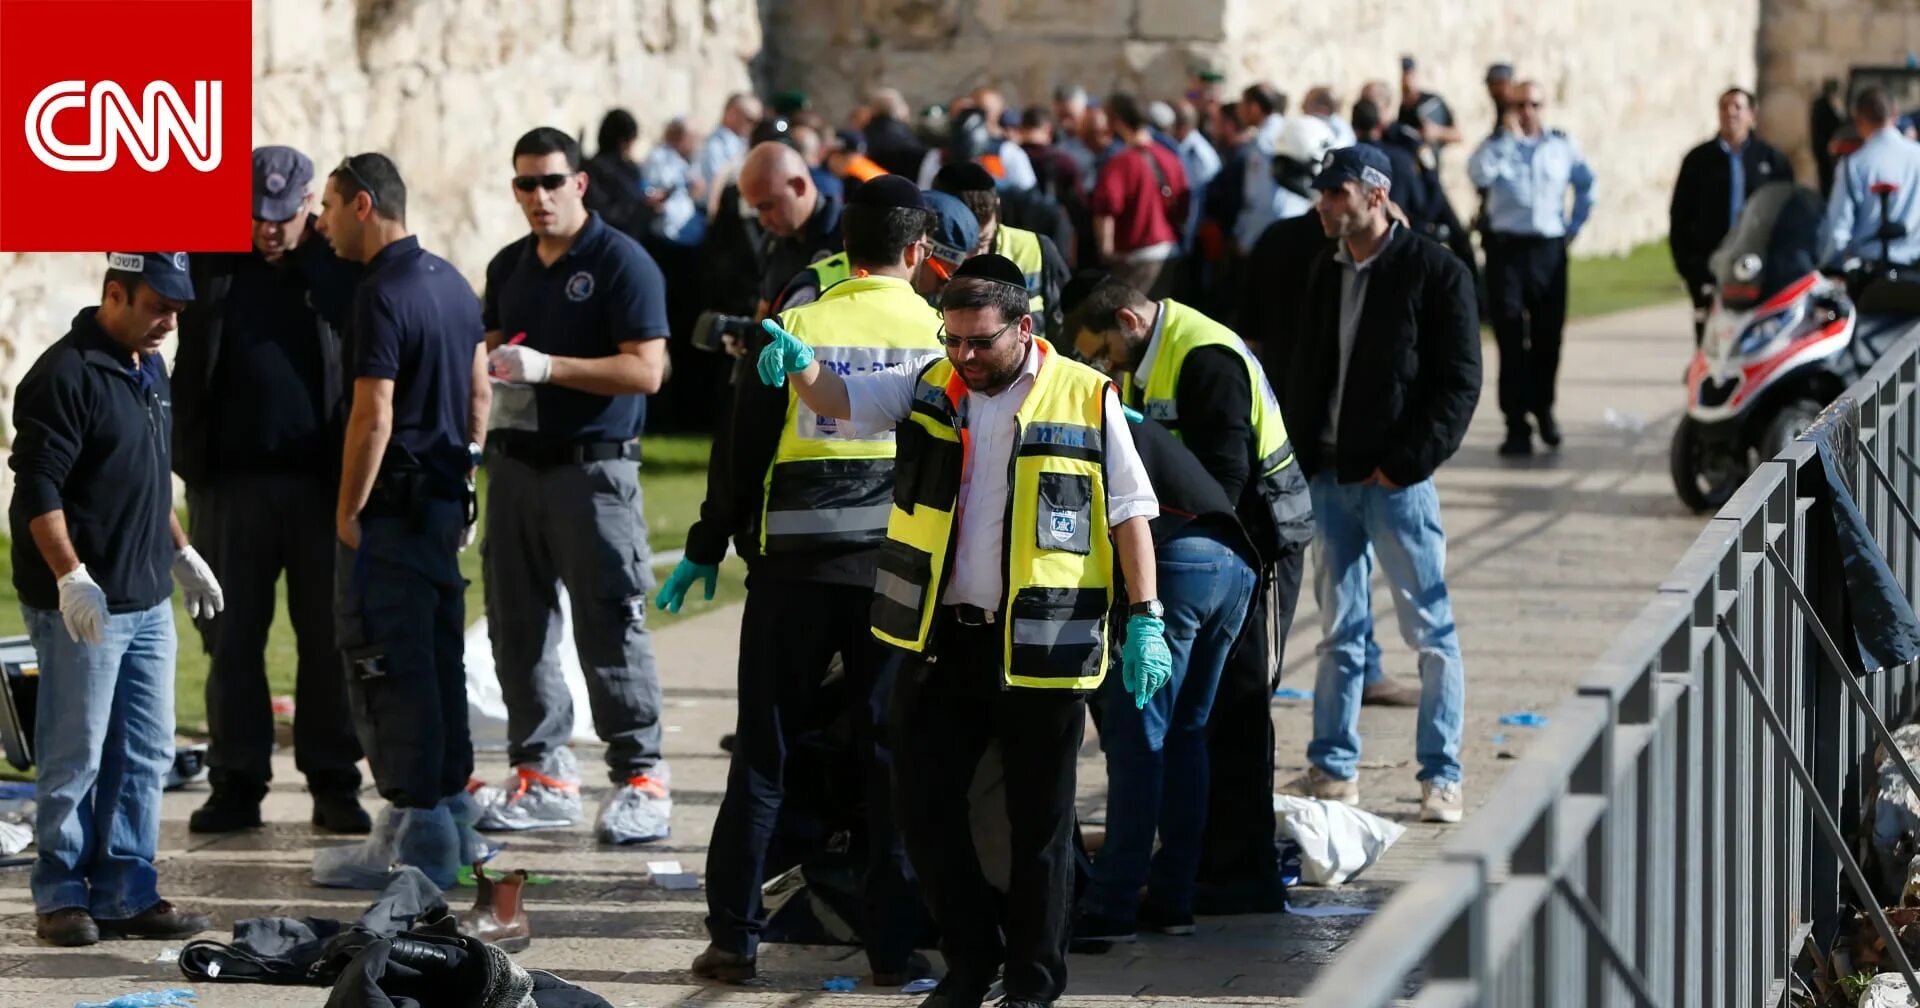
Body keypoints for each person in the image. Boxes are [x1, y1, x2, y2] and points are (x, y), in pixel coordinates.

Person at [757, 254, 1166, 1008]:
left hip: (1044, 648)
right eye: (952, 339)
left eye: (980, 342)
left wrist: (1146, 619)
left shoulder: (1085, 395)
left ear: (1024, 327)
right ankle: (971, 964)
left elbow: (1129, 511)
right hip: (948, 641)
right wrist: (801, 364)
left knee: (1038, 829)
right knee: (923, 806)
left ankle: (1034, 983)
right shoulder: (931, 385)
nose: (964, 357)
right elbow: (840, 398)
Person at [664, 175, 945, 986]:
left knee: (765, 751)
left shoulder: (789, 326)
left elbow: (740, 450)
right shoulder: (940, 333)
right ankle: (895, 947)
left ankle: (733, 939)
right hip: (895, 574)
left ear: (840, 251)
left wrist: (706, 544)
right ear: (920, 253)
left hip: (791, 571)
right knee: (889, 756)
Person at [1063, 271, 1313, 915]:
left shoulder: (1204, 356)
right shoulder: (1151, 356)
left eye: (1102, 351)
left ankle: (1225, 875)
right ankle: (1196, 879)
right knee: (1195, 728)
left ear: (1128, 322)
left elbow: (1226, 479)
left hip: (1250, 543)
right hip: (1215, 557)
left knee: (1215, 717)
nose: (1100, 366)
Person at [467, 128, 673, 844]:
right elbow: (489, 368)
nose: (539, 197)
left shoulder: (622, 263)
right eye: (525, 184)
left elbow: (648, 370)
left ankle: (642, 777)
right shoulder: (508, 267)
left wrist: (551, 368)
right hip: (518, 466)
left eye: (552, 182)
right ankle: (543, 772)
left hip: (595, 470)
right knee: (516, 628)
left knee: (609, 624)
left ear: (579, 183)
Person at [10, 251, 221, 947]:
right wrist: (70, 575)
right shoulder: (63, 374)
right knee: (76, 753)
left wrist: (182, 550)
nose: (168, 321)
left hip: (148, 598)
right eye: (157, 305)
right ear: (114, 293)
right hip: (87, 606)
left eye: (177, 310)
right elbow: (38, 488)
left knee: (146, 750)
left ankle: (127, 889)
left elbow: (147, 474)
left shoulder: (147, 366)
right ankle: (62, 895)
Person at [1277, 145, 1478, 824]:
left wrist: (1407, 461)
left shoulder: (1434, 271)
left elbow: (1459, 382)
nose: (1326, 205)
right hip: (1329, 478)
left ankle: (1441, 775)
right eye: (1323, 193)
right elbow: (1306, 366)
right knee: (1339, 631)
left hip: (1395, 484)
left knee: (1429, 628)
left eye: (1337, 193)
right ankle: (1333, 768)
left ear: (1375, 193)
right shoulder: (1322, 270)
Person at [172, 145, 368, 836]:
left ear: (310, 203)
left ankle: (335, 782)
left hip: (322, 487)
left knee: (327, 640)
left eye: (283, 216)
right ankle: (236, 783)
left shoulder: (337, 262)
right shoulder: (208, 259)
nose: (270, 229)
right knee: (230, 641)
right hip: (229, 485)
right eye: (257, 216)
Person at [313, 152, 490, 887]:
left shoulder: (381, 293)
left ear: (361, 204)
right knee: (436, 659)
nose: (318, 225)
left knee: (386, 663)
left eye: (325, 207)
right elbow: (480, 389)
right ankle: (450, 818)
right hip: (443, 503)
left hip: (393, 512)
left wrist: (349, 506)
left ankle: (416, 845)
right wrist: (469, 469)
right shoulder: (449, 282)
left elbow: (373, 412)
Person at [1073, 412, 1258, 943]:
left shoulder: (1066, 411)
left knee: (1137, 741)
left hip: (1175, 564)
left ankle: (1111, 907)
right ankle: (1174, 899)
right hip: (1234, 562)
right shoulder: (1116, 410)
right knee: (1184, 735)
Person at [1468, 80, 1596, 457]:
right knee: (1509, 338)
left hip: (1547, 249)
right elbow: (1478, 174)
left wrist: (1573, 226)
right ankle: (1515, 423)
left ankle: (1543, 409)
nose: (1528, 111)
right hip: (1507, 250)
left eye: (1535, 104)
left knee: (1547, 337)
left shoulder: (1560, 145)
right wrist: (1507, 140)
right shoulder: (1497, 146)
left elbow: (1587, 184)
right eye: (1521, 104)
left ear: (1544, 107)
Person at [1670, 89, 1794, 343]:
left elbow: (1788, 217)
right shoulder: (1698, 161)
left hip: (1758, 273)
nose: (1731, 113)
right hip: (1713, 271)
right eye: (1725, 107)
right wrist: (1691, 270)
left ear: (1752, 115)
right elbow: (1680, 218)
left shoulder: (1772, 161)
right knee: (1711, 345)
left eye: (1738, 107)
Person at [933, 160, 1071, 335]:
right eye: (965, 244)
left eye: (982, 241)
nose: (976, 252)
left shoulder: (1035, 249)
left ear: (996, 206)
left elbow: (1066, 325)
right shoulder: (924, 262)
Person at [1091, 93, 1189, 300]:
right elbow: (1183, 204)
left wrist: (1106, 254)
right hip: (1169, 253)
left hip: (1136, 259)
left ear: (1116, 121)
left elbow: (1106, 208)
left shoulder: (1121, 163)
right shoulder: (1169, 157)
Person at [740, 141, 845, 316]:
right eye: (757, 209)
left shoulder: (850, 235)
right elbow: (765, 309)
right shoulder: (772, 243)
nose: (763, 220)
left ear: (798, 186)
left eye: (767, 206)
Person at [1822, 86, 1920, 268]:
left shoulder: (1854, 164)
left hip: (1871, 277)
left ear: (1858, 121)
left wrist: (1829, 266)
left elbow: (1838, 232)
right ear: (1896, 116)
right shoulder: (1917, 156)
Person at [582, 109, 654, 241]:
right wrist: (642, 207)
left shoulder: (630, 168)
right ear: (623, 141)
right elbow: (601, 213)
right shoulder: (596, 170)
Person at [1233, 84, 1288, 253]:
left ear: (1255, 108)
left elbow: (1260, 197)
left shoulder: (1263, 141)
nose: (1239, 110)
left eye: (1242, 104)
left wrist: (1247, 240)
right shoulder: (1285, 129)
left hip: (1267, 233)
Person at [694, 93, 762, 192]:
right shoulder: (715, 146)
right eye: (749, 119)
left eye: (758, 122)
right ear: (732, 114)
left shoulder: (744, 142)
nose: (754, 127)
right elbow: (715, 190)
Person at [1397, 56, 1462, 153]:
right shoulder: (1403, 108)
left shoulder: (1432, 102)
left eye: (1410, 75)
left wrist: (1437, 132)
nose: (1407, 80)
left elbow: (1457, 135)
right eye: (1405, 75)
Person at [1812, 78, 1846, 199]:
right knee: (1826, 180)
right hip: (1824, 149)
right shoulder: (1822, 105)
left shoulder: (1828, 104)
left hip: (1828, 148)